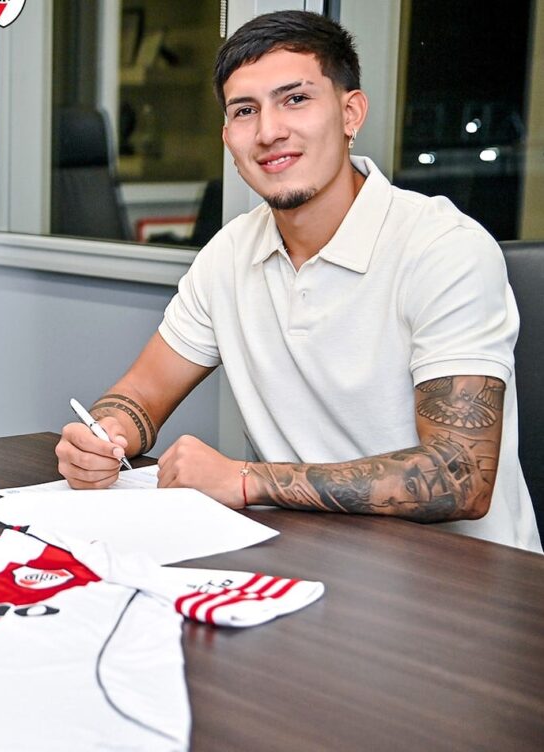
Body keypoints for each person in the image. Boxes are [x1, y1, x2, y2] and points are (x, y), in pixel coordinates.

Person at [56, 11, 541, 553]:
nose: (269, 131)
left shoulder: (443, 247)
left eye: (295, 99)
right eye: (246, 111)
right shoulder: (229, 255)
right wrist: (103, 434)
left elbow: (458, 477)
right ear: (227, 137)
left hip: (465, 589)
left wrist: (245, 480)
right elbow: (141, 392)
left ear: (350, 112)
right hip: (309, 560)